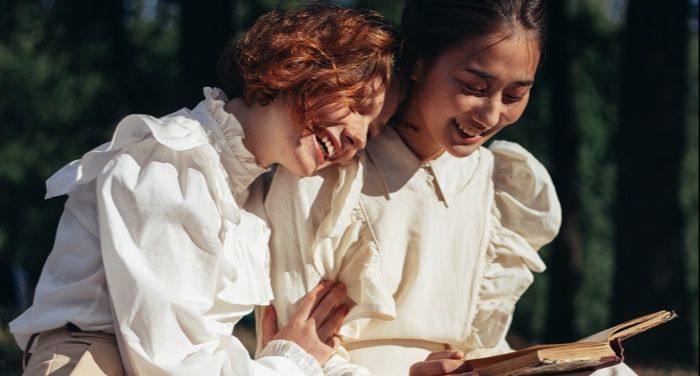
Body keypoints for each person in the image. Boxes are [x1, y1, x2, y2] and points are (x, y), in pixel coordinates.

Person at [10, 4, 400, 375]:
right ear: (298, 67)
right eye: (358, 104)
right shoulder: (169, 160)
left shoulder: (253, 194)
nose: (360, 139)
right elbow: (168, 362)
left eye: (374, 130)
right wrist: (290, 361)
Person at [262, 1, 637, 375]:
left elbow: (485, 345)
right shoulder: (323, 174)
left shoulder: (497, 183)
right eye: (474, 87)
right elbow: (295, 353)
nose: (491, 115)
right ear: (419, 62)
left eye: (514, 96)